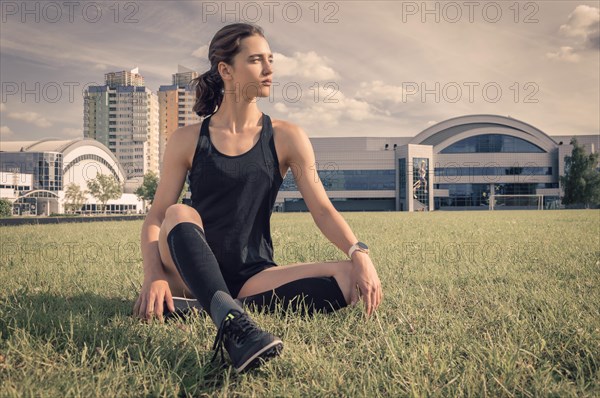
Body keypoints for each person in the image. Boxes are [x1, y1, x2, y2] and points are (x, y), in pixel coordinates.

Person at [132, 23, 383, 373]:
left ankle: (218, 306)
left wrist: (358, 252)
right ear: (226, 70)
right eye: (256, 60)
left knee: (350, 279)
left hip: (253, 274)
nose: (269, 70)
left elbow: (323, 209)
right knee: (177, 212)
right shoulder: (187, 139)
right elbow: (156, 217)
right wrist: (153, 275)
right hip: (188, 273)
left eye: (270, 60)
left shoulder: (287, 136)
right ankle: (234, 324)